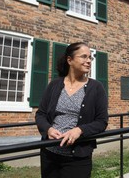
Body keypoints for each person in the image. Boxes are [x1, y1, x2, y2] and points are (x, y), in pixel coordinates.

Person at [35, 42, 108, 178]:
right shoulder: (54, 85)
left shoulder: (96, 87)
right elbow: (41, 114)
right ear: (70, 60)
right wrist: (48, 129)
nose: (88, 61)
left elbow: (102, 121)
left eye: (90, 58)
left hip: (78, 157)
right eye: (84, 57)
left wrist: (80, 130)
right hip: (49, 153)